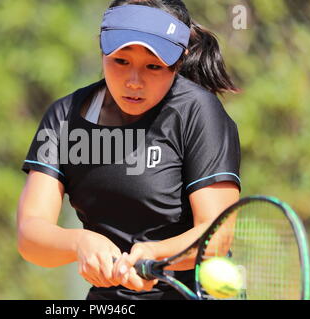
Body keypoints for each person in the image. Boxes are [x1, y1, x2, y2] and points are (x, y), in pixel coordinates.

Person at [17, 0, 241, 300]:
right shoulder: (64, 117)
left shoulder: (198, 112)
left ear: (178, 60)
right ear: (102, 51)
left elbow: (217, 236)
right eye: (121, 61)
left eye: (153, 66)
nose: (134, 81)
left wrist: (153, 255)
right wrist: (78, 242)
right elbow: (31, 234)